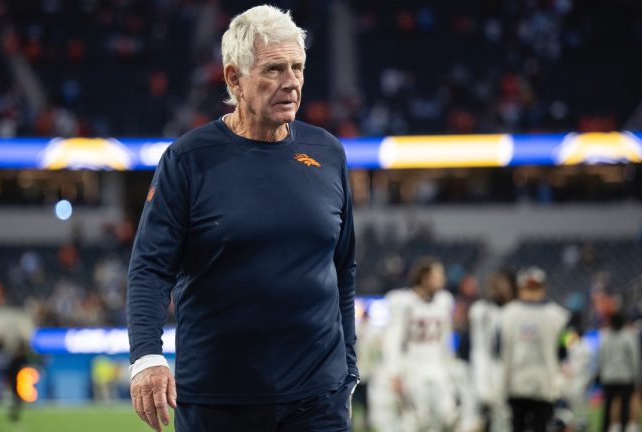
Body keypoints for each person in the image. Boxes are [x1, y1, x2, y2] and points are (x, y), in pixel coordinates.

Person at [126, 5, 358, 432]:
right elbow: (150, 269)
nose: (291, 82)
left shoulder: (328, 152)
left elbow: (343, 267)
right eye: (273, 69)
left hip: (318, 402)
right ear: (234, 78)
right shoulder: (188, 160)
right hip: (218, 402)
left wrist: (349, 367)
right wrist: (146, 356)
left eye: (297, 67)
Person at [370, 257, 456, 431]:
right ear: (425, 278)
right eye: (438, 275)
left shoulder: (444, 301)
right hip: (413, 366)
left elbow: (446, 339)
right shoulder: (403, 301)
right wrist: (394, 372)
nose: (443, 279)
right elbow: (394, 339)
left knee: (445, 416)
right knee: (416, 419)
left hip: (437, 365)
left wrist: (449, 365)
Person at [500, 267, 569, 432]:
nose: (531, 293)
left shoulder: (558, 316)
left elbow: (564, 348)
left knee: (541, 425)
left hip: (545, 382)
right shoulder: (507, 314)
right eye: (528, 288)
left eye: (534, 288)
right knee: (517, 425)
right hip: (516, 382)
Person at [469, 270, 517, 432]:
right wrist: (481, 379)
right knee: (488, 416)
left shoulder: (517, 310)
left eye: (500, 285)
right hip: (492, 367)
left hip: (513, 369)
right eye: (493, 286)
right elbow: (480, 348)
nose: (496, 290)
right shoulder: (482, 311)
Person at [598, 312, 640, 432]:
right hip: (625, 377)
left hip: (609, 377)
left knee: (607, 406)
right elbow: (634, 358)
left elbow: (602, 357)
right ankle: (623, 428)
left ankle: (605, 428)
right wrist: (637, 378)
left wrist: (602, 373)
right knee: (624, 406)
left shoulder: (605, 336)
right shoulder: (629, 336)